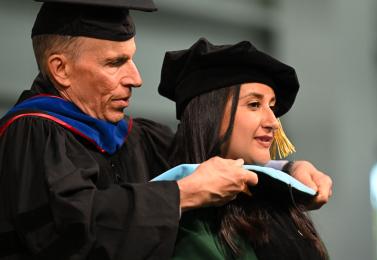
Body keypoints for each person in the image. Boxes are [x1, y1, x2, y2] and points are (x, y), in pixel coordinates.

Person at [0, 1, 332, 259]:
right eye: (115, 63)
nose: (136, 77)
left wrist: (288, 169)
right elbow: (71, 235)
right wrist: (184, 193)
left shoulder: (136, 136)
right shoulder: (32, 133)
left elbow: (197, 157)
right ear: (61, 69)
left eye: (131, 59)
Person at [157, 38, 329, 259]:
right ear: (211, 115)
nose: (273, 121)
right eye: (254, 104)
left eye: (272, 106)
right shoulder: (189, 223)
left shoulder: (282, 204)